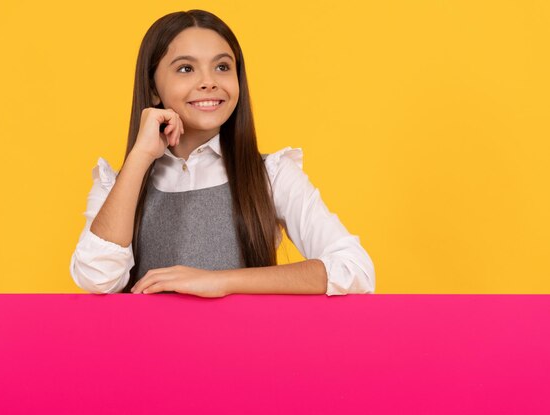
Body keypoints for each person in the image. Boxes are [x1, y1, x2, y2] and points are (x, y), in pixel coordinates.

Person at [69, 9, 375, 297]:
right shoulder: (118, 185)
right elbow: (97, 278)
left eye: (222, 67)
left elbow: (354, 268)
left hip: (244, 349)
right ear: (153, 89)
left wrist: (220, 280)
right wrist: (139, 157)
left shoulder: (271, 174)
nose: (209, 82)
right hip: (148, 351)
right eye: (186, 68)